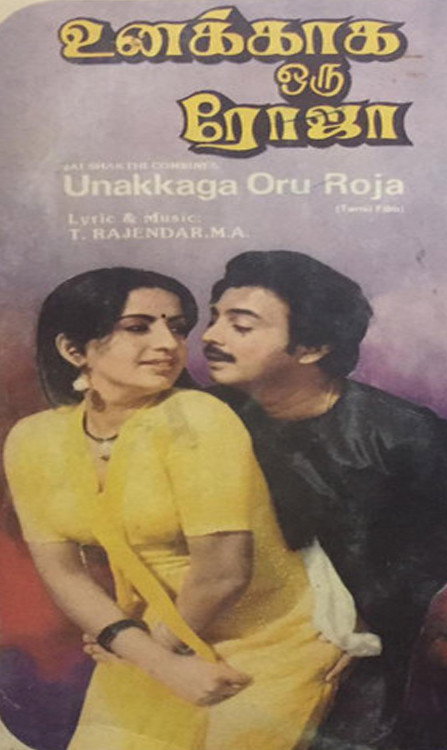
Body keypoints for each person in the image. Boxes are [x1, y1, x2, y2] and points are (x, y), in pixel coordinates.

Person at [3, 266, 344, 750]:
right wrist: (146, 655)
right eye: (138, 327)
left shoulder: (198, 416)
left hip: (266, 644)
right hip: (147, 640)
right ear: (74, 350)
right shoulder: (35, 440)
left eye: (178, 327)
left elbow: (222, 572)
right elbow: (63, 573)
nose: (169, 343)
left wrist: (146, 654)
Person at [202, 250, 447, 750]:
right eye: (214, 319)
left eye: (241, 325)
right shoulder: (206, 416)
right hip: (247, 635)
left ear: (312, 347)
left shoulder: (407, 435)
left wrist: (362, 622)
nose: (211, 336)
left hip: (380, 652)